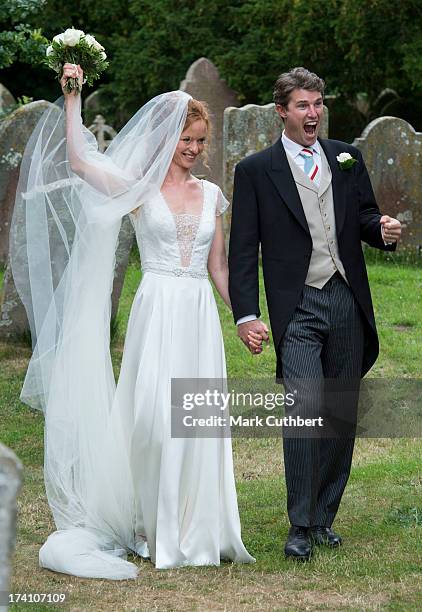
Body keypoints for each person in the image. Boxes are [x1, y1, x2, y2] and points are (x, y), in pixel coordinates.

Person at [10, 62, 254, 579]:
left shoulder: (212, 196)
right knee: (149, 421)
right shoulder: (138, 189)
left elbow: (219, 268)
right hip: (156, 309)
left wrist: (244, 318)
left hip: (197, 317)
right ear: (168, 137)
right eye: (186, 139)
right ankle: (146, 522)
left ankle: (195, 525)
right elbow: (79, 162)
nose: (192, 148)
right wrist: (73, 97)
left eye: (199, 141)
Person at [228, 67, 401, 561]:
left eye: (318, 103)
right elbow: (243, 250)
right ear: (282, 111)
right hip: (297, 305)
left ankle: (324, 517)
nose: (313, 113)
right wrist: (246, 315)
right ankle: (299, 524)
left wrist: (381, 229)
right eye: (302, 105)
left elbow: (364, 216)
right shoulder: (256, 171)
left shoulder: (347, 158)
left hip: (346, 299)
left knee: (339, 415)